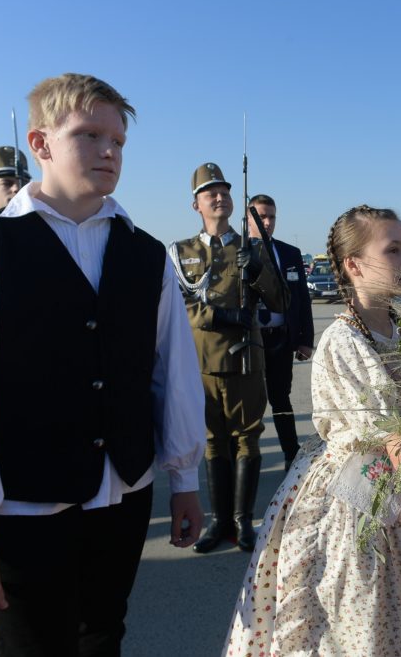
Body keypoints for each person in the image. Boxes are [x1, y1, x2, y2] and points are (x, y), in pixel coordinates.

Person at [0, 72, 206, 655]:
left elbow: (171, 373)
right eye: (89, 135)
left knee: (103, 636)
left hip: (124, 496)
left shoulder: (146, 254)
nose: (109, 151)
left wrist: (184, 481)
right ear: (41, 144)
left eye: (118, 140)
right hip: (25, 505)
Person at [224, 205, 401, 656]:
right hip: (358, 510)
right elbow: (398, 444)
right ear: (353, 264)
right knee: (366, 630)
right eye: (394, 249)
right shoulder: (344, 339)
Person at [170, 164, 289, 553]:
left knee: (246, 440)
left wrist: (257, 272)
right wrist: (221, 315)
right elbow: (178, 304)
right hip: (200, 362)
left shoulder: (253, 247)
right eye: (210, 193)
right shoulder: (180, 252)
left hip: (243, 361)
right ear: (196, 204)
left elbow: (279, 300)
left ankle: (242, 522)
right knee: (211, 442)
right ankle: (218, 521)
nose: (219, 197)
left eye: (223, 191)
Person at [247, 193, 314, 471]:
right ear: (248, 217)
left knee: (280, 397)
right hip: (249, 341)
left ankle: (290, 453)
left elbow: (301, 299)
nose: (267, 222)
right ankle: (247, 459)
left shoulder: (289, 253)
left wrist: (305, 339)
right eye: (261, 216)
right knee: (249, 402)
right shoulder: (237, 253)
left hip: (279, 339)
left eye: (271, 216)